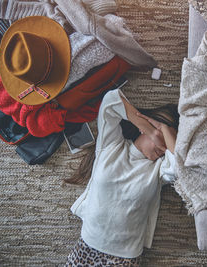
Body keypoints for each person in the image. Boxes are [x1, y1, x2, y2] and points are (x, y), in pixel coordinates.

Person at [64, 88, 179, 266]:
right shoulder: (111, 146)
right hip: (87, 245)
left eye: (169, 141)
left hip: (124, 257)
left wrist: (165, 129)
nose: (164, 148)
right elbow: (110, 102)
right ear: (145, 131)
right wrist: (150, 128)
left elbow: (180, 171)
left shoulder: (158, 171)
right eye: (162, 137)